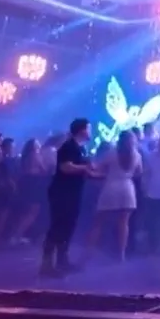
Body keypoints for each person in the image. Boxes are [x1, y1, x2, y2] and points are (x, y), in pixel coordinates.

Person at [42, 118, 96, 278]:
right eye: (89, 128)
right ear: (82, 130)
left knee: (68, 227)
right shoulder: (69, 146)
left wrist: (99, 174)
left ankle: (62, 261)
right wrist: (85, 168)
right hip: (62, 192)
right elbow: (65, 167)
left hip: (73, 192)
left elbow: (83, 170)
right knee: (58, 226)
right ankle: (46, 265)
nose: (90, 131)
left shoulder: (81, 148)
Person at [88, 130, 141, 261]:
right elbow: (139, 173)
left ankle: (88, 253)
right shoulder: (136, 155)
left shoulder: (111, 153)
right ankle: (121, 254)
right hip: (127, 188)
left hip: (111, 188)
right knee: (124, 223)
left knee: (98, 222)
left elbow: (97, 167)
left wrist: (89, 166)